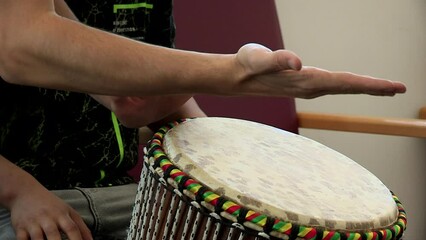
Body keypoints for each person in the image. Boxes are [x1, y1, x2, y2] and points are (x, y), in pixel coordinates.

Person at [0, 1, 406, 240]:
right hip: (16, 197)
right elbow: (22, 46)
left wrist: (232, 175)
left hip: (120, 191)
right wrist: (20, 193)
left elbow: (134, 97)